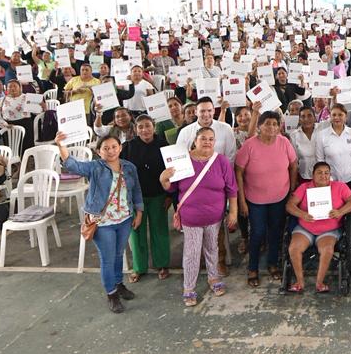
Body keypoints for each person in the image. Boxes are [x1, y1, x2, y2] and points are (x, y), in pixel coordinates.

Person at [57, 132, 143, 313]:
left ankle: (119, 285)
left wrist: (139, 211)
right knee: (107, 258)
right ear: (98, 151)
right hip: (102, 222)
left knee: (120, 254)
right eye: (106, 148)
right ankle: (111, 294)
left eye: (114, 147)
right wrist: (61, 145)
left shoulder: (129, 167)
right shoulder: (95, 168)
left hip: (125, 219)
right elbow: (73, 165)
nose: (111, 151)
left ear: (120, 148)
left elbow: (136, 191)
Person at [161, 125, 238, 306]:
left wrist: (233, 212)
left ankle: (213, 278)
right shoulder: (182, 160)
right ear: (195, 141)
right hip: (191, 218)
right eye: (203, 138)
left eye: (211, 139)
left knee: (212, 248)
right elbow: (171, 188)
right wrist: (163, 179)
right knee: (192, 253)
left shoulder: (221, 161)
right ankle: (189, 287)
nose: (207, 142)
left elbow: (232, 189)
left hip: (214, 217)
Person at [236, 110, 298, 287]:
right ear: (259, 126)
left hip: (280, 197)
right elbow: (238, 172)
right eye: (267, 123)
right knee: (257, 233)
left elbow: (294, 165)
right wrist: (241, 200)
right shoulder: (249, 145)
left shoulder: (284, 142)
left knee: (276, 232)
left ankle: (272, 264)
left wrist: (291, 189)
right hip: (255, 200)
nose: (271, 127)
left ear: (279, 127)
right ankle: (253, 267)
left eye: (275, 124)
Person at [286, 161, 351, 293]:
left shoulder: (339, 187)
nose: (323, 176)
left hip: (329, 230)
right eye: (319, 173)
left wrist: (340, 212)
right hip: (306, 228)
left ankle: (319, 282)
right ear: (312, 175)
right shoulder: (304, 188)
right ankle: (299, 282)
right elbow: (290, 205)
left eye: (326, 173)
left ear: (330, 175)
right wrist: (301, 214)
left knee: (327, 250)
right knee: (293, 248)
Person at [122, 115, 170, 282]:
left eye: (147, 126)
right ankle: (138, 267)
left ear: (154, 126)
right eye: (140, 127)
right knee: (136, 232)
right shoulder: (128, 147)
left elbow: (173, 171)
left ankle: (162, 264)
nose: (144, 130)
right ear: (135, 129)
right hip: (136, 198)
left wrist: (170, 195)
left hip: (158, 195)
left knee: (160, 229)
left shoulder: (164, 145)